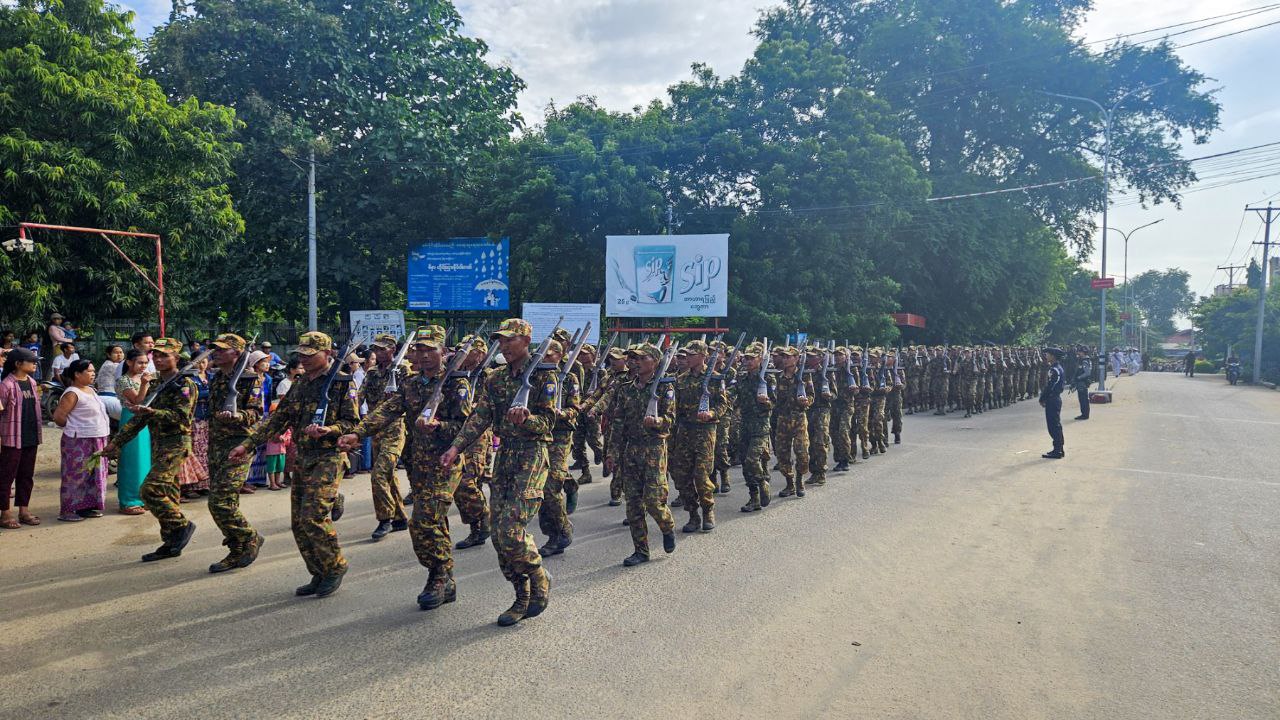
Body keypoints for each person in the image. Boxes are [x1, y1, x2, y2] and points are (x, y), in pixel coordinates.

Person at [338, 325, 472, 610]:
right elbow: (388, 410)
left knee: (422, 521)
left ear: (444, 352)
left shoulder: (456, 384)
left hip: (445, 463)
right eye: (418, 349)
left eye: (429, 350)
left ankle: (438, 575)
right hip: (418, 463)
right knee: (434, 520)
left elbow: (466, 426)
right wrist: (358, 433)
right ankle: (444, 577)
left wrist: (439, 426)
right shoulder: (411, 383)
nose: (423, 355)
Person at [440, 318, 556, 627]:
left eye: (509, 340)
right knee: (498, 538)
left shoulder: (545, 375)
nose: (503, 346)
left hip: (531, 455)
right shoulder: (495, 378)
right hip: (505, 457)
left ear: (526, 339)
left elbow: (548, 424)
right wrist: (455, 448)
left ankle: (537, 573)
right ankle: (521, 595)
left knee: (509, 528)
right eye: (500, 341)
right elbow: (478, 418)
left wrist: (527, 420)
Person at [230, 331, 359, 599]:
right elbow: (278, 419)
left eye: (311, 355)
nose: (305, 359)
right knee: (298, 522)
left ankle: (335, 566)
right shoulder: (300, 383)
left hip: (329, 456)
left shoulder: (341, 383)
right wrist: (248, 444)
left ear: (328, 354)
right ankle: (318, 571)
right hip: (303, 457)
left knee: (313, 517)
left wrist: (329, 429)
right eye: (301, 354)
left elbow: (353, 423)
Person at [103, 338, 199, 561]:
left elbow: (182, 418)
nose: (158, 358)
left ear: (176, 358)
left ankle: (182, 526)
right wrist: (116, 442)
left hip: (176, 444)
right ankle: (171, 542)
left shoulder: (184, 385)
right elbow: (139, 420)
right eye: (156, 354)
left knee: (149, 490)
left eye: (164, 355)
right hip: (158, 444)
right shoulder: (156, 384)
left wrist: (153, 413)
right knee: (169, 495)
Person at [602, 342, 678, 566]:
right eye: (632, 358)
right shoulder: (626, 388)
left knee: (654, 501)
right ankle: (641, 550)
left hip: (654, 448)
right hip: (631, 450)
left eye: (640, 358)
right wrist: (612, 452)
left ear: (654, 362)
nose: (634, 362)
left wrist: (658, 421)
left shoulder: (665, 387)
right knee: (633, 504)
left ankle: (667, 525)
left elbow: (671, 419)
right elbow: (618, 423)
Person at [205, 333, 266, 574]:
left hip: (239, 443)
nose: (216, 353)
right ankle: (237, 547)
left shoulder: (251, 379)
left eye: (222, 349)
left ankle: (249, 538)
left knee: (218, 501)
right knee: (226, 501)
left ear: (237, 353)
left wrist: (238, 416)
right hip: (216, 443)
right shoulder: (217, 378)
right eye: (215, 349)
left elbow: (255, 413)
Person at [358, 334, 410, 541]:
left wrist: (397, 393)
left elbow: (408, 396)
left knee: (379, 473)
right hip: (375, 430)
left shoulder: (403, 370)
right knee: (388, 475)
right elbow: (360, 395)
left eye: (382, 349)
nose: (378, 353)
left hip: (395, 428)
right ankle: (399, 517)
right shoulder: (372, 373)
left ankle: (384, 518)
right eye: (376, 349)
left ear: (392, 350)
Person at [670, 340, 721, 533]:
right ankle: (692, 514)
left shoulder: (715, 378)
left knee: (701, 475)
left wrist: (711, 414)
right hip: (684, 432)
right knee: (682, 477)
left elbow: (723, 404)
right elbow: (673, 408)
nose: (687, 358)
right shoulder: (681, 380)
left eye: (692, 355)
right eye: (687, 355)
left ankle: (708, 510)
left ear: (702, 356)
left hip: (705, 432)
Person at [51, 359, 110, 521]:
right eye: (89, 371)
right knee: (75, 475)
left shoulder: (91, 389)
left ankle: (86, 506)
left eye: (93, 371)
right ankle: (68, 510)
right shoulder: (72, 393)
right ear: (77, 374)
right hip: (78, 441)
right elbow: (59, 417)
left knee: (93, 474)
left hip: (97, 438)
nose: (93, 374)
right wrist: (74, 428)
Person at [0, 348, 43, 528]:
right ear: (18, 364)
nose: (34, 363)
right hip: (11, 437)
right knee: (6, 476)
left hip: (30, 436)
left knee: (26, 475)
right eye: (31, 361)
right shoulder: (6, 385)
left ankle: (24, 510)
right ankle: (5, 514)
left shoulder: (32, 382)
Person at [735, 342, 775, 512]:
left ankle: (762, 481)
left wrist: (766, 403)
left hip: (760, 426)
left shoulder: (767, 378)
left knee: (752, 460)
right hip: (745, 424)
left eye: (752, 358)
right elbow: (734, 395)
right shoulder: (742, 377)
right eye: (746, 358)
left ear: (760, 359)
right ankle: (754, 497)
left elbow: (775, 402)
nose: (748, 361)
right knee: (745, 463)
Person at [113, 349, 151, 515]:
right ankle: (128, 501)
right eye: (140, 362)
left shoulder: (144, 378)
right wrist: (144, 384)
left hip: (145, 420)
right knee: (131, 461)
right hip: (131, 418)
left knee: (144, 461)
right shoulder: (124, 380)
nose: (144, 366)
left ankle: (143, 497)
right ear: (129, 362)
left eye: (145, 362)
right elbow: (137, 400)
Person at [178, 355, 212, 499]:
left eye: (204, 361)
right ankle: (190, 486)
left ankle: (203, 484)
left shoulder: (211, 376)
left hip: (207, 418)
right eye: (198, 362)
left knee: (205, 452)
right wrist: (210, 393)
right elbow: (189, 395)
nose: (201, 365)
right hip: (194, 418)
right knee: (193, 452)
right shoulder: (189, 378)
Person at [1039, 347, 1066, 460]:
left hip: (1053, 399)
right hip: (1054, 398)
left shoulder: (1055, 369)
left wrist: (1043, 397)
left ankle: (1058, 450)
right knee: (1055, 425)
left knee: (1053, 425)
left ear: (1053, 356)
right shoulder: (1057, 368)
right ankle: (1059, 448)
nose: (1046, 356)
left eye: (1048, 354)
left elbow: (1051, 386)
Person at [1073, 347, 1092, 420]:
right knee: (1082, 399)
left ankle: (1085, 415)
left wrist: (1079, 377)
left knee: (1083, 399)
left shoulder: (1084, 361)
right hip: (1082, 382)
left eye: (1079, 352)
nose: (1078, 353)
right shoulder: (1083, 360)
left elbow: (1087, 373)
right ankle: (1084, 414)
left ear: (1083, 352)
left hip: (1082, 382)